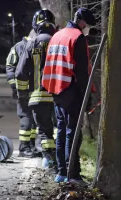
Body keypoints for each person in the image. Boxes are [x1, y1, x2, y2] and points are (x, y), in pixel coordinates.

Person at [42, 7, 97, 184]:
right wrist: (86, 96)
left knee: (61, 131)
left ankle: (61, 172)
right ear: (82, 22)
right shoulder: (77, 37)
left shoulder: (57, 36)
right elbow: (81, 72)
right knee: (73, 134)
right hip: (71, 91)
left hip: (56, 90)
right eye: (88, 25)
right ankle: (72, 174)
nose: (88, 29)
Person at [16, 9, 58, 170]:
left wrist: (22, 94)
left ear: (36, 25)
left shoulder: (31, 44)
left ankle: (49, 161)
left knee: (45, 131)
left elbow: (20, 73)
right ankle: (63, 162)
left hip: (38, 97)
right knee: (59, 129)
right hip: (58, 95)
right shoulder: (58, 42)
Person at [6, 35, 41, 158]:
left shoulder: (36, 46)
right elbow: (10, 68)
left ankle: (30, 146)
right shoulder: (19, 47)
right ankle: (24, 147)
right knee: (26, 119)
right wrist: (16, 87)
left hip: (34, 90)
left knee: (33, 121)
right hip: (23, 91)